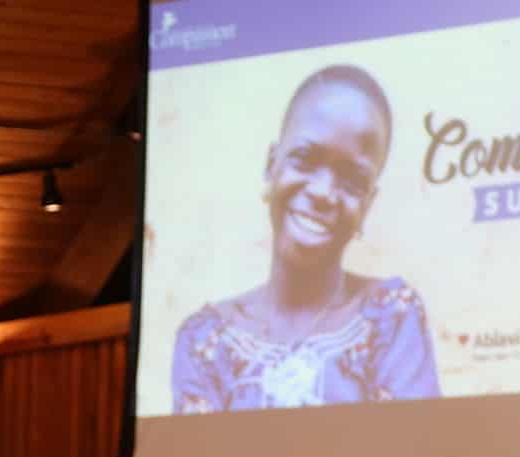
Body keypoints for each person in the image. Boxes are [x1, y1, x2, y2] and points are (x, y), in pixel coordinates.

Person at [171, 64, 439, 413]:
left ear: (369, 204)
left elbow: (413, 451)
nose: (323, 192)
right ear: (271, 165)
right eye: (305, 160)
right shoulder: (205, 339)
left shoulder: (390, 316)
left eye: (352, 179)